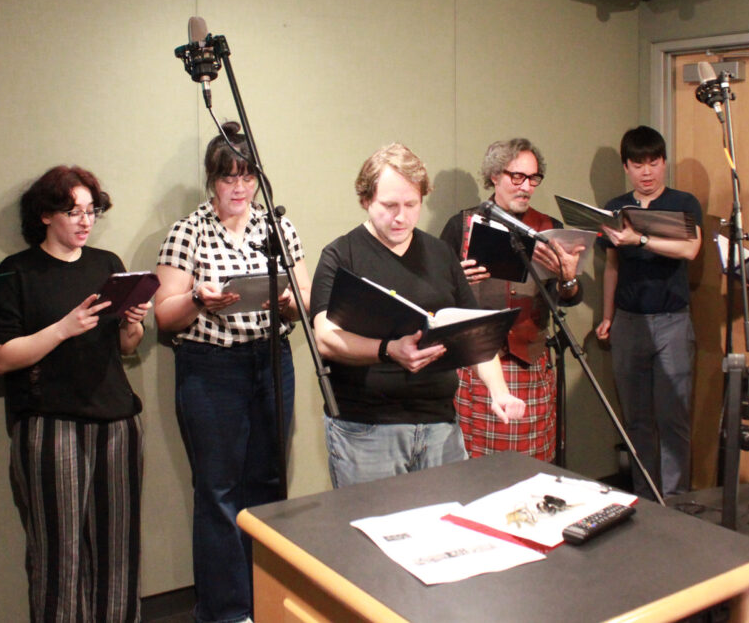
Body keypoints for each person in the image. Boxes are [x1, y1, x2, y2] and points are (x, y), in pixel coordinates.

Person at [152, 122, 309, 623]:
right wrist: (200, 298)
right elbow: (163, 314)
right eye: (228, 178)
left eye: (247, 177)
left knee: (268, 483)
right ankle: (226, 611)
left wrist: (288, 303)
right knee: (219, 489)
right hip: (211, 368)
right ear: (212, 181)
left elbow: (305, 299)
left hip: (268, 360)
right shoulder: (189, 230)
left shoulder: (277, 227)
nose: (238, 188)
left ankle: (265, 602)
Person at [0, 165, 147, 622]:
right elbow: (1, 357)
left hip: (117, 419)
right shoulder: (17, 271)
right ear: (46, 215)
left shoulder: (107, 264)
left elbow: (126, 348)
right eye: (73, 211)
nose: (85, 221)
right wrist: (62, 329)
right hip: (51, 423)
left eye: (92, 211)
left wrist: (133, 323)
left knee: (118, 548)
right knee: (59, 554)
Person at [311, 142, 526, 488]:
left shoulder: (439, 253)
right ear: (366, 200)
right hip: (368, 428)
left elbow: (476, 336)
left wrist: (499, 392)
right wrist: (388, 350)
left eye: (412, 205)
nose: (401, 217)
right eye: (389, 205)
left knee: (445, 528)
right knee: (372, 533)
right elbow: (325, 339)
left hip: (440, 423)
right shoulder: (341, 255)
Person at [439, 138, 584, 461]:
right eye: (516, 177)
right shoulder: (461, 225)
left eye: (533, 178)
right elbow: (435, 299)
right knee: (477, 465)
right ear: (494, 176)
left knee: (532, 465)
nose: (526, 186)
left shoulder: (549, 228)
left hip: (530, 359)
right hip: (478, 360)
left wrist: (568, 278)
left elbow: (570, 298)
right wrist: (456, 282)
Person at [594, 126, 702, 499]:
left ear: (664, 163)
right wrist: (607, 316)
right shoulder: (615, 206)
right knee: (636, 420)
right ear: (626, 166)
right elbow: (612, 266)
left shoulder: (683, 202)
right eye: (638, 163)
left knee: (673, 418)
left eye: (653, 162)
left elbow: (690, 249)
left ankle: (677, 502)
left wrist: (639, 239)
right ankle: (645, 497)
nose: (646, 171)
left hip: (672, 320)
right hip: (628, 321)